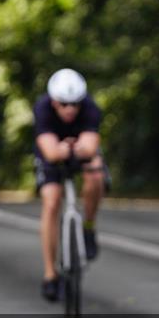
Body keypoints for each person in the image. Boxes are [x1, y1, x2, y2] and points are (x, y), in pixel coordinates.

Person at [33, 68, 105, 302]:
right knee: (51, 201)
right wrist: (64, 148)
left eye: (75, 104)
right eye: (64, 104)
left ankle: (89, 227)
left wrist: (75, 148)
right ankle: (49, 274)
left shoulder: (91, 109)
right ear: (54, 102)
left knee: (96, 176)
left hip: (77, 150)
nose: (70, 109)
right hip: (52, 154)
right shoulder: (42, 108)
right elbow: (50, 151)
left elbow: (90, 146)